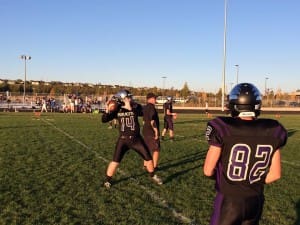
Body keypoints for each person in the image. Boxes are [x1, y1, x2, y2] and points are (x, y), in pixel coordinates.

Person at [203, 83, 288, 225]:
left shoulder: (223, 128)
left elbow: (207, 170)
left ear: (233, 105)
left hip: (229, 202)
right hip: (255, 200)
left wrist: (222, 178)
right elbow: (275, 174)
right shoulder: (273, 131)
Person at [102, 90, 163, 189]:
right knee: (115, 161)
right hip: (123, 140)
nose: (130, 98)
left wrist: (129, 107)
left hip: (136, 139)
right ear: (123, 98)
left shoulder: (135, 107)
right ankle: (107, 180)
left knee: (148, 159)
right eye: (128, 97)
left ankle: (153, 175)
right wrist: (107, 110)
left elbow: (142, 112)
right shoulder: (117, 109)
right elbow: (104, 119)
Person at [143, 93, 160, 170]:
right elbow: (152, 121)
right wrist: (156, 131)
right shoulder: (152, 107)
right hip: (151, 131)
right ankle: (155, 166)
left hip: (145, 130)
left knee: (147, 148)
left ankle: (145, 165)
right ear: (150, 99)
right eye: (154, 98)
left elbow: (144, 121)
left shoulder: (145, 107)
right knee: (156, 150)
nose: (155, 99)